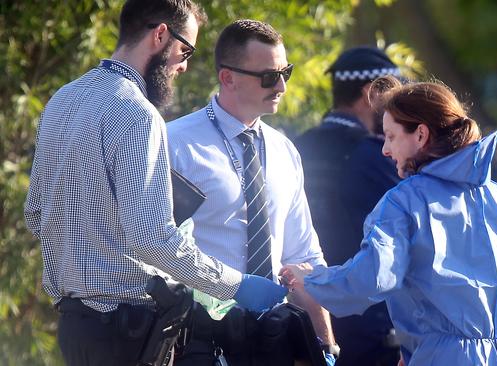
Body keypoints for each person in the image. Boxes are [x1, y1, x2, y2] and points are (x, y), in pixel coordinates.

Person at [23, 2, 285, 365]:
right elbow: (152, 238)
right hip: (129, 331)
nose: (184, 65)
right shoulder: (138, 114)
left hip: (74, 328)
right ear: (160, 34)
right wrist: (237, 285)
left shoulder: (62, 100)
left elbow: (36, 214)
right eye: (185, 50)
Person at [280, 77, 497, 365]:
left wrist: (312, 279)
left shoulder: (404, 200)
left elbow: (371, 279)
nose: (384, 149)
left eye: (391, 136)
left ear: (420, 135)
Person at [166, 19, 336, 364]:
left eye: (285, 73)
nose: (282, 87)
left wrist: (325, 343)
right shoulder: (174, 144)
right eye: (270, 77)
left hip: (273, 341)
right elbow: (154, 247)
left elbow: (303, 259)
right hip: (200, 341)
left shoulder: (285, 150)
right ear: (227, 77)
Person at [294, 48, 401, 365]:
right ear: (372, 94)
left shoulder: (296, 145)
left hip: (306, 313)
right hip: (368, 323)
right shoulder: (375, 154)